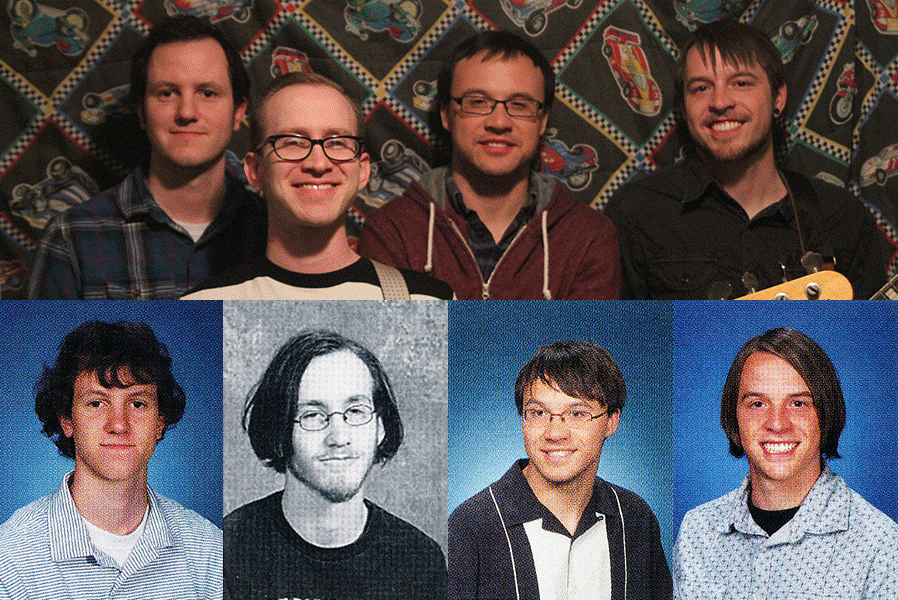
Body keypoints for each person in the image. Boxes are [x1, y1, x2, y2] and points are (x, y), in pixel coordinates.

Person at [604, 19, 887, 299]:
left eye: (741, 83)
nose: (720, 102)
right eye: (701, 88)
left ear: (778, 98)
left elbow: (876, 340)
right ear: (683, 107)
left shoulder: (841, 218)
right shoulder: (637, 214)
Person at [357, 31, 621, 300]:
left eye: (519, 105)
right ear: (446, 114)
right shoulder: (391, 232)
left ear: (542, 121)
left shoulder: (589, 238)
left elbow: (585, 342)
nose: (498, 122)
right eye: (477, 102)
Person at [28, 15, 266, 299]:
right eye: (166, 93)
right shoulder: (71, 238)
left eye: (207, 92)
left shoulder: (273, 226)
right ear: (141, 111)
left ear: (238, 112)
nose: (187, 112)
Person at [0, 321, 222, 599]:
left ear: (160, 423)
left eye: (137, 404)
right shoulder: (8, 561)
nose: (119, 425)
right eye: (96, 403)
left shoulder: (209, 551)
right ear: (67, 420)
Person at [183, 72, 453, 299]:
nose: (318, 163)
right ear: (255, 170)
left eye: (336, 142)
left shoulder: (428, 301)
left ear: (362, 170)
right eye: (292, 142)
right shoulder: (203, 306)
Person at [673, 327, 898, 598]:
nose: (777, 424)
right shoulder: (697, 532)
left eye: (798, 404)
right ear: (735, 418)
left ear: (825, 414)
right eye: (757, 404)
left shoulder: (882, 545)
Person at [224, 330, 446, 599]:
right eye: (313, 415)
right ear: (279, 431)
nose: (339, 437)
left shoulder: (420, 561)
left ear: (380, 427)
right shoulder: (227, 548)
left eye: (356, 411)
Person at [448, 342, 672, 600]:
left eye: (577, 413)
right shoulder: (471, 526)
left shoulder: (634, 518)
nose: (555, 433)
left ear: (611, 421)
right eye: (538, 412)